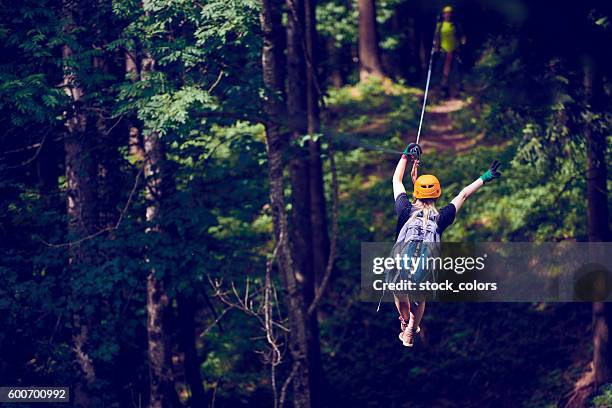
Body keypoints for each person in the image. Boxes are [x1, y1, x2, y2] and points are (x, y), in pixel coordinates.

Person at [391, 143, 501, 347]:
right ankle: (412, 325)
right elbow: (463, 194)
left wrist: (406, 156)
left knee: (400, 294)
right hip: (424, 266)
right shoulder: (441, 217)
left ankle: (405, 322)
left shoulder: (405, 209)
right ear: (437, 194)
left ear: (416, 193)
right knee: (419, 296)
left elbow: (397, 180)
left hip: (402, 263)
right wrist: (484, 177)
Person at [434, 5, 466, 98]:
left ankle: (459, 90)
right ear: (443, 15)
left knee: (457, 70)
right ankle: (444, 90)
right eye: (446, 13)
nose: (447, 15)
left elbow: (462, 36)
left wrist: (462, 42)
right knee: (444, 71)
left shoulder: (456, 24)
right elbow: (437, 37)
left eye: (449, 13)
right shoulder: (440, 26)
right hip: (443, 51)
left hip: (455, 50)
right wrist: (436, 47)